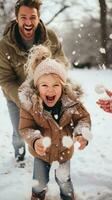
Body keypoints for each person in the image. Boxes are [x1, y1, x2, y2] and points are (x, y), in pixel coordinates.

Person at [18, 45, 91, 200]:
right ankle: (37, 195)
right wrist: (35, 140)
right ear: (37, 87)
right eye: (44, 85)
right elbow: (26, 128)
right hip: (41, 153)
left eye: (55, 85)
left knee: (64, 180)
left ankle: (67, 196)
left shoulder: (70, 102)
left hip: (63, 151)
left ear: (63, 86)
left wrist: (81, 133)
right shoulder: (31, 105)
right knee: (39, 181)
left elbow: (82, 118)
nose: (50, 90)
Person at [0, 0, 69, 162]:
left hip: (47, 92)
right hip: (16, 96)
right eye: (23, 17)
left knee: (50, 127)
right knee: (20, 130)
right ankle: (19, 154)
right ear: (16, 18)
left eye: (33, 17)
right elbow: (5, 79)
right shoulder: (4, 46)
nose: (28, 22)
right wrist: (25, 100)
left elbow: (61, 60)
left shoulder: (50, 36)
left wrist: (53, 73)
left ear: (38, 17)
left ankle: (48, 154)